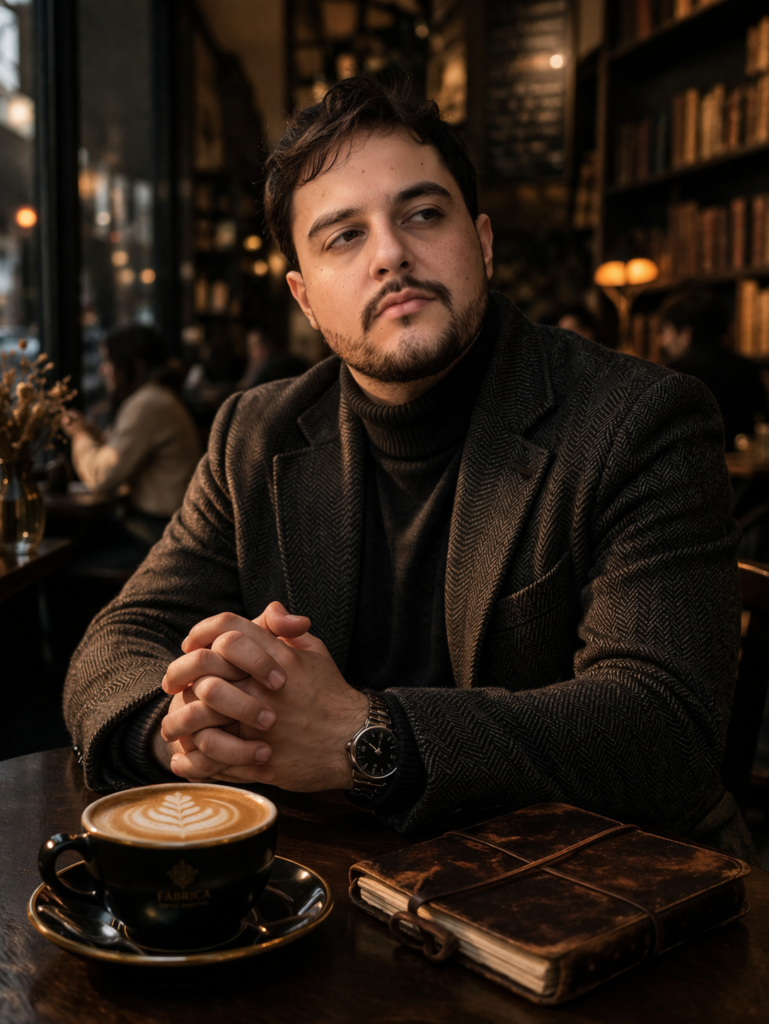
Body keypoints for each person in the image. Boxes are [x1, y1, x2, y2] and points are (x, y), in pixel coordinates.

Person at [64, 78, 751, 859]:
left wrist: (362, 736)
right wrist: (188, 733)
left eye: (422, 214)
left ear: (481, 242)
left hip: (590, 887)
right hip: (346, 882)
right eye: (342, 236)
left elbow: (664, 730)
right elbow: (119, 640)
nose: (390, 254)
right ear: (304, 299)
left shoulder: (639, 420)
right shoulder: (254, 434)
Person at [63, 324, 202, 560]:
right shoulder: (158, 397)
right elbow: (122, 452)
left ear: (134, 366)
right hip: (168, 526)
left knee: (68, 555)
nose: (103, 370)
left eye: (109, 361)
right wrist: (93, 434)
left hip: (158, 532)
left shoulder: (148, 403)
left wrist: (79, 435)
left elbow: (101, 476)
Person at [658, 290, 769, 451]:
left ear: (686, 333)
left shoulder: (674, 374)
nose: (662, 341)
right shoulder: (748, 368)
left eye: (665, 331)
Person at [237, 325, 310, 391]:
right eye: (249, 346)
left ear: (267, 345)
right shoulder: (256, 365)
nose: (250, 351)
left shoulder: (271, 370)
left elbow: (246, 390)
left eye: (254, 345)